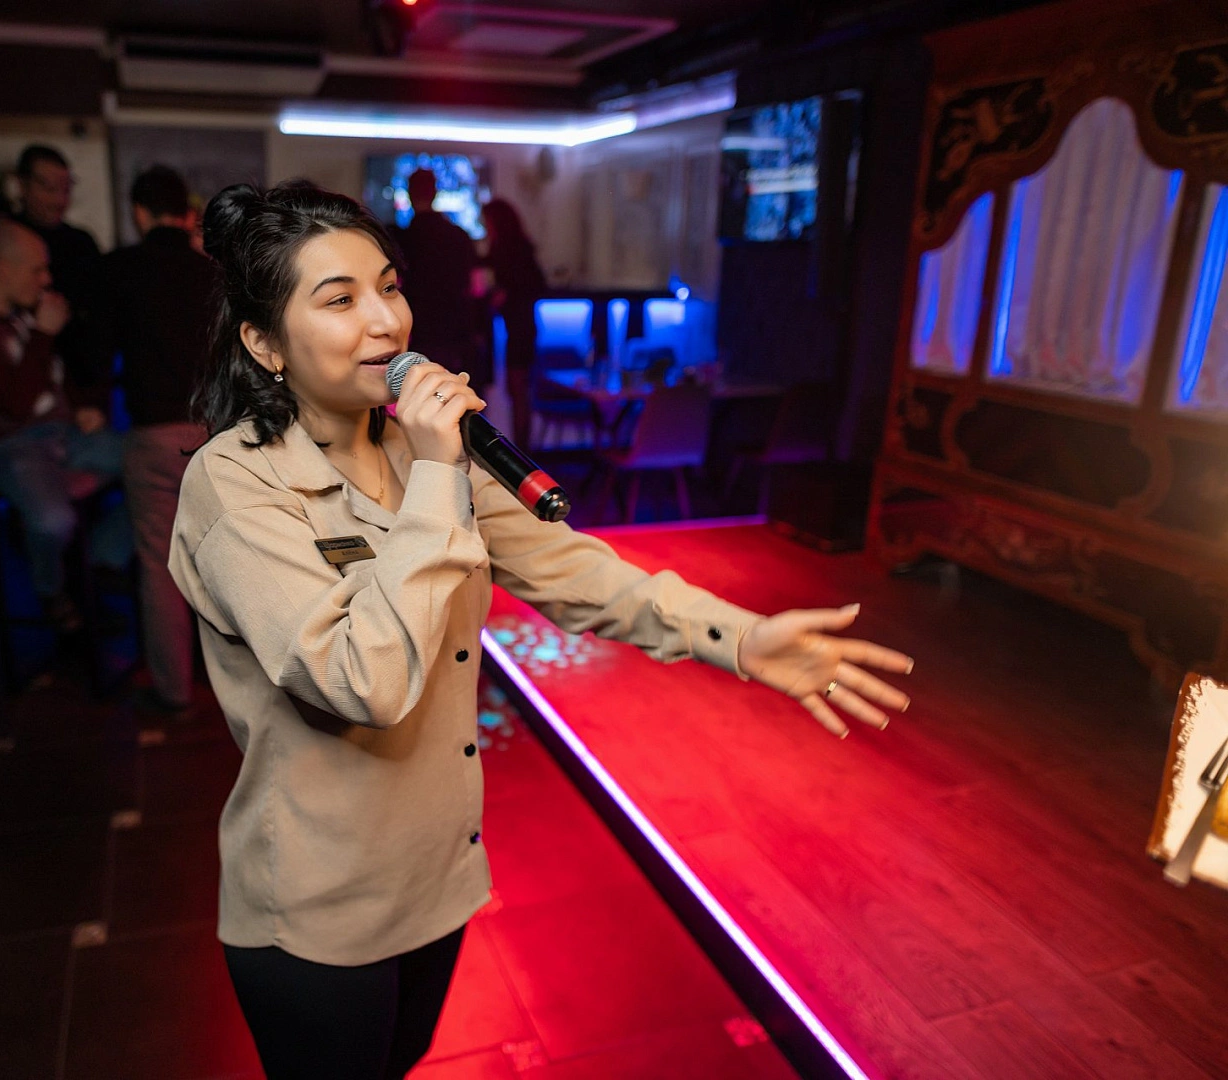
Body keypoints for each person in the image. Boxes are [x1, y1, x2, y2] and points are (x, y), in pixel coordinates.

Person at [167, 180, 915, 1080]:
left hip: (435, 880)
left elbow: (572, 570)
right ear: (264, 343)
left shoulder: (419, 450)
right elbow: (361, 680)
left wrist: (743, 639)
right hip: (319, 908)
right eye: (340, 300)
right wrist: (439, 475)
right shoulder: (236, 483)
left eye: (390, 287)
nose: (387, 322)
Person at [0, 221, 128, 632]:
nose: (46, 279)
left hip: (63, 435)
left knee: (164, 464)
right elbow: (15, 403)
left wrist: (82, 408)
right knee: (53, 520)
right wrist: (43, 333)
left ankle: (100, 559)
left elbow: (55, 376)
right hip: (6, 445)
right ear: (4, 269)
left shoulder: (22, 312)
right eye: (37, 270)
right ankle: (52, 592)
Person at [96, 165, 220, 711]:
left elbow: (95, 353)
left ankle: (173, 689)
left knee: (160, 564)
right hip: (215, 434)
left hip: (153, 432)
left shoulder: (120, 270)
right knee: (223, 559)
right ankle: (229, 681)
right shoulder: (211, 275)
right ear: (187, 214)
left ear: (139, 213)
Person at [14, 144, 105, 394]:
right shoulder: (7, 240)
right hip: (25, 382)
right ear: (22, 185)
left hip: (79, 382)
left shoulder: (81, 244)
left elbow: (98, 320)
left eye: (65, 189)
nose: (59, 200)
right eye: (49, 188)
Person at [396, 169, 485, 386]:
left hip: (417, 332)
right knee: (457, 397)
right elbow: (477, 288)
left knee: (419, 394)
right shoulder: (459, 236)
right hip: (456, 331)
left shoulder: (401, 239)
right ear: (435, 192)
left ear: (409, 194)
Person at [481, 199, 547, 449]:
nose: (485, 227)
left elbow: (534, 285)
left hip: (520, 328)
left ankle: (522, 452)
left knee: (517, 391)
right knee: (518, 392)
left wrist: (505, 294)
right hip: (522, 327)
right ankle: (522, 451)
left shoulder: (507, 249)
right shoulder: (516, 247)